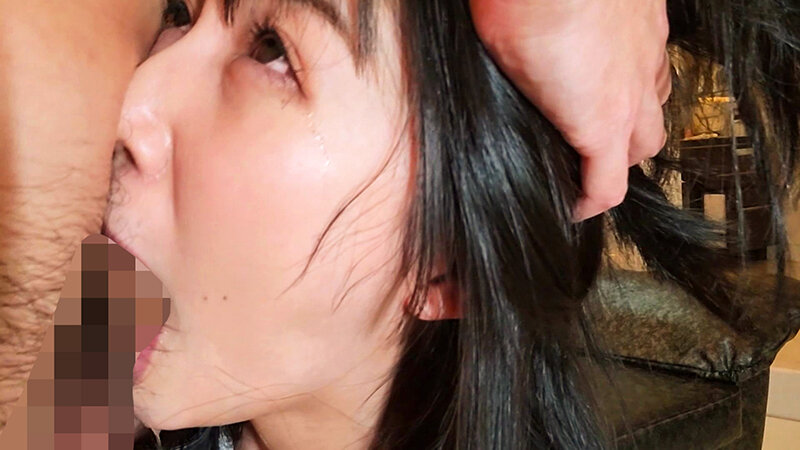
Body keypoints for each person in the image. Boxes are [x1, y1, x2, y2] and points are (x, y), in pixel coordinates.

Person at [1, 1, 796, 450]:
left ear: (447, 264)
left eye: (272, 49)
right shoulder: (85, 368)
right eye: (179, 12)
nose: (129, 103)